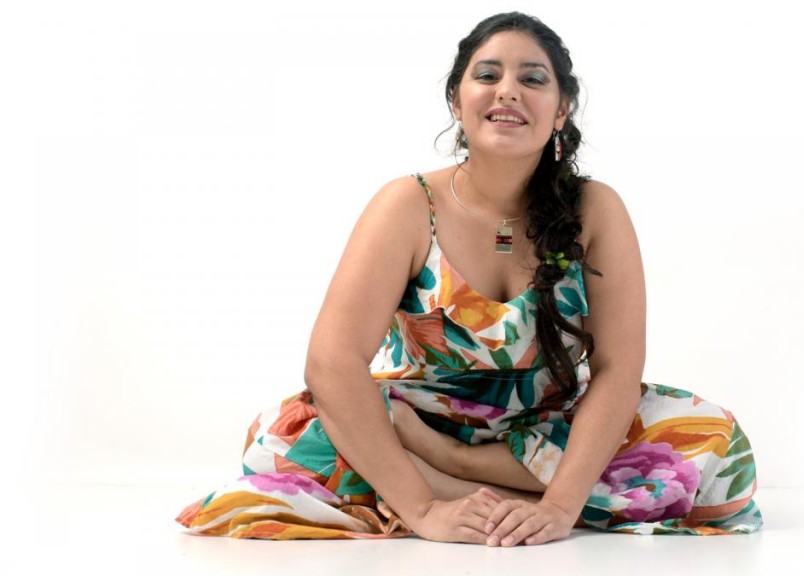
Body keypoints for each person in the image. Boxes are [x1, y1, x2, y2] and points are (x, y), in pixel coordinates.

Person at [177, 11, 762, 545]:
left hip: (546, 431)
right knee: (283, 439)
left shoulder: (595, 209)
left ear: (561, 110)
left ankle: (463, 474)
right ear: (457, 100)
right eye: (488, 75)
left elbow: (617, 371)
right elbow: (332, 363)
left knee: (710, 439)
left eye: (533, 79)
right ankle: (455, 489)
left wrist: (559, 507)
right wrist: (423, 508)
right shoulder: (409, 204)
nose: (508, 89)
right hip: (417, 418)